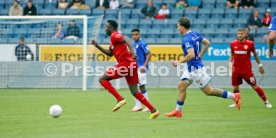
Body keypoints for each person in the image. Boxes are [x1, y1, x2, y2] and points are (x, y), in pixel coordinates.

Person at [165, 17, 241, 118]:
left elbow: (191, 55)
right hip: (190, 68)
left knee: (209, 91)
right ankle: (178, 111)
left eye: (178, 26)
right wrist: (201, 55)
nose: (177, 28)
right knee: (181, 86)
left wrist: (179, 62)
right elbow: (207, 43)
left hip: (196, 70)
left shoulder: (186, 39)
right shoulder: (195, 34)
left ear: (183, 27)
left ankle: (234, 96)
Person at [91, 20, 160, 119]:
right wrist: (97, 46)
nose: (105, 29)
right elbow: (110, 54)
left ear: (111, 28)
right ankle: (154, 110)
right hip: (132, 65)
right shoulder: (112, 41)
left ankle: (119, 98)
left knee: (102, 79)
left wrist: (132, 52)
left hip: (126, 64)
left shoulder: (115, 35)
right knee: (134, 91)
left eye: (107, 27)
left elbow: (127, 39)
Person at [228, 29, 272, 108]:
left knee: (255, 86)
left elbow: (255, 55)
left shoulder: (250, 44)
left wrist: (260, 65)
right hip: (236, 70)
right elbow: (232, 54)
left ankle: (266, 101)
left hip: (247, 71)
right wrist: (230, 63)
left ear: (245, 35)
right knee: (235, 87)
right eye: (238, 34)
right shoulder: (232, 44)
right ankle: (236, 102)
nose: (240, 35)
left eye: (241, 33)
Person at [131, 28, 152, 112]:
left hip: (141, 68)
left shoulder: (142, 43)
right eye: (133, 35)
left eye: (136, 34)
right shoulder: (132, 44)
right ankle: (138, 105)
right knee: (133, 87)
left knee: (141, 87)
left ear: (139, 35)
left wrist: (144, 66)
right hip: (134, 68)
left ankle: (147, 106)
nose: (134, 36)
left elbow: (149, 55)